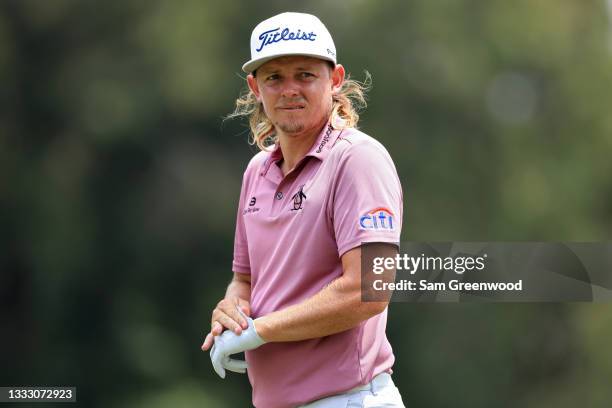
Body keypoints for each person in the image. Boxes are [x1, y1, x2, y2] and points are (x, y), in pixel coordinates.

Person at [201, 11, 405, 408]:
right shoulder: (256, 172)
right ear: (255, 86)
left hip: (349, 400)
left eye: (305, 75)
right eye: (274, 77)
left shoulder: (358, 160)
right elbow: (244, 280)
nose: (289, 89)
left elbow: (370, 290)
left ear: (335, 79)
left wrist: (260, 331)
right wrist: (233, 312)